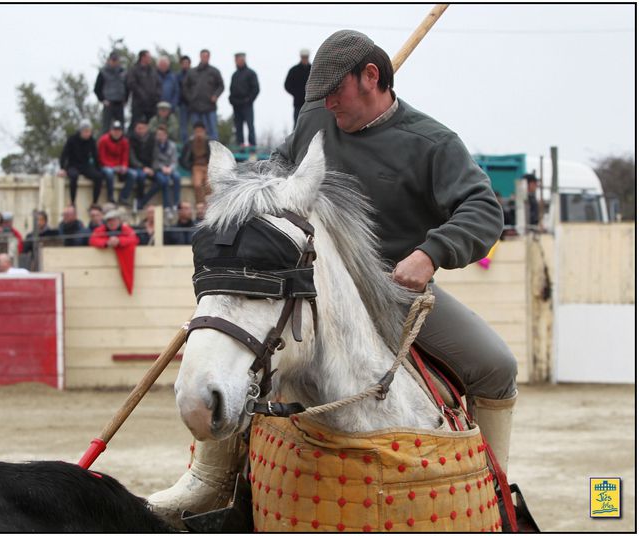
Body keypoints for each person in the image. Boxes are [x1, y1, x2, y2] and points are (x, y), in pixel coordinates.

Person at [149, 29, 519, 521]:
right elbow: (279, 168)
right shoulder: (317, 118)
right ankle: (211, 476)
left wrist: (431, 254)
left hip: (394, 290)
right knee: (238, 338)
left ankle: (491, 484)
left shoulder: (433, 144)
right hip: (311, 283)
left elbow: (483, 208)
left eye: (334, 91)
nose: (326, 103)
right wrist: (242, 187)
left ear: (371, 77)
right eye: (319, 95)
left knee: (497, 365)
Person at [59, 119, 106, 207]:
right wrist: (62, 168)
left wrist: (99, 169)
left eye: (89, 131)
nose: (87, 133)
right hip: (73, 165)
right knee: (74, 176)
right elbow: (64, 154)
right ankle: (73, 202)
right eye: (85, 131)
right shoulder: (72, 139)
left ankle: (95, 202)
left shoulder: (91, 140)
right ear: (81, 131)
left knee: (98, 177)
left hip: (85, 165)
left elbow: (95, 156)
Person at [182, 49, 224, 140]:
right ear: (200, 56)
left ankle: (214, 152)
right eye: (203, 56)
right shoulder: (191, 72)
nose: (205, 58)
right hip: (195, 107)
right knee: (197, 132)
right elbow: (185, 87)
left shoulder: (215, 71)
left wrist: (216, 95)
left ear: (209, 57)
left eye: (207, 56)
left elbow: (221, 86)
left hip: (210, 107)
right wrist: (190, 98)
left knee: (212, 132)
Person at [141, 126, 180, 215]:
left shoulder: (172, 145)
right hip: (158, 169)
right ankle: (167, 206)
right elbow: (153, 161)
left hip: (170, 168)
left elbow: (174, 161)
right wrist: (162, 168)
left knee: (177, 177)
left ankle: (175, 204)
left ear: (166, 135)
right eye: (158, 134)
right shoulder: (153, 145)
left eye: (162, 134)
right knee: (165, 181)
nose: (160, 136)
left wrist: (170, 168)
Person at [97, 121, 137, 206]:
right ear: (111, 130)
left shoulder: (125, 142)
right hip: (106, 166)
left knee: (133, 174)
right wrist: (113, 167)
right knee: (109, 173)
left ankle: (123, 197)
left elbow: (125, 157)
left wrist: (124, 166)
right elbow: (101, 158)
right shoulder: (103, 140)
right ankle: (110, 197)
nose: (117, 132)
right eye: (114, 130)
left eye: (119, 130)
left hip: (119, 166)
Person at [228, 52, 260, 147]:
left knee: (250, 125)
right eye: (236, 60)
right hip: (236, 105)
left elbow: (256, 89)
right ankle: (240, 145)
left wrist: (249, 100)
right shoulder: (235, 75)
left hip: (247, 104)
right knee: (238, 126)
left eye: (239, 59)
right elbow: (231, 90)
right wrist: (231, 100)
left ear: (243, 60)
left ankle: (252, 145)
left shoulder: (251, 73)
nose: (237, 62)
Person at [126, 50, 161, 130]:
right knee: (137, 125)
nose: (150, 59)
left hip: (152, 104)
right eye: (148, 57)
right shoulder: (134, 70)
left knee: (152, 126)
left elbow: (158, 84)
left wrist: (157, 96)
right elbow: (131, 84)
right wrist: (142, 95)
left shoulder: (153, 71)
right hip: (139, 104)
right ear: (143, 57)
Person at [94, 52, 128, 133]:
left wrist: (126, 99)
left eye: (116, 60)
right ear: (109, 60)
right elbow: (97, 88)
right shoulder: (103, 72)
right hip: (109, 103)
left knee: (121, 127)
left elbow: (127, 86)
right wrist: (102, 100)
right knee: (106, 127)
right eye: (113, 60)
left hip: (120, 103)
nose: (114, 62)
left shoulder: (123, 72)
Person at [179, 122, 210, 205]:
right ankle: (200, 205)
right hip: (196, 167)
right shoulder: (189, 143)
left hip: (208, 167)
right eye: (197, 131)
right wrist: (189, 166)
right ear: (194, 132)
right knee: (197, 185)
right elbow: (183, 159)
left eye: (201, 131)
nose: (199, 134)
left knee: (209, 185)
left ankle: (210, 205)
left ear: (204, 131)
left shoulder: (209, 142)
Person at [128, 121, 155, 209]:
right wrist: (143, 167)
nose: (140, 130)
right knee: (141, 176)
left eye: (142, 128)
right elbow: (132, 158)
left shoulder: (152, 139)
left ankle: (144, 200)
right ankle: (139, 200)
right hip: (137, 167)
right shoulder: (131, 139)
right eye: (138, 128)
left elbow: (156, 156)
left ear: (146, 129)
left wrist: (153, 168)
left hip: (151, 168)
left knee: (163, 180)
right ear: (135, 129)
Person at [284, 48, 312, 126]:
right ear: (300, 57)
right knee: (297, 125)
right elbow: (287, 85)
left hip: (311, 103)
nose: (305, 59)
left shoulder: (313, 69)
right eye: (303, 57)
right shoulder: (294, 70)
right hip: (298, 104)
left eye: (306, 57)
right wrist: (296, 93)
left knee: (312, 125)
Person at [176, 55, 192, 140]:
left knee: (195, 125)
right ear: (181, 64)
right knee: (183, 126)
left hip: (193, 104)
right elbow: (176, 90)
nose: (185, 65)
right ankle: (185, 144)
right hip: (182, 104)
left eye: (187, 63)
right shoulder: (178, 76)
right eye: (184, 63)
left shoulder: (194, 74)